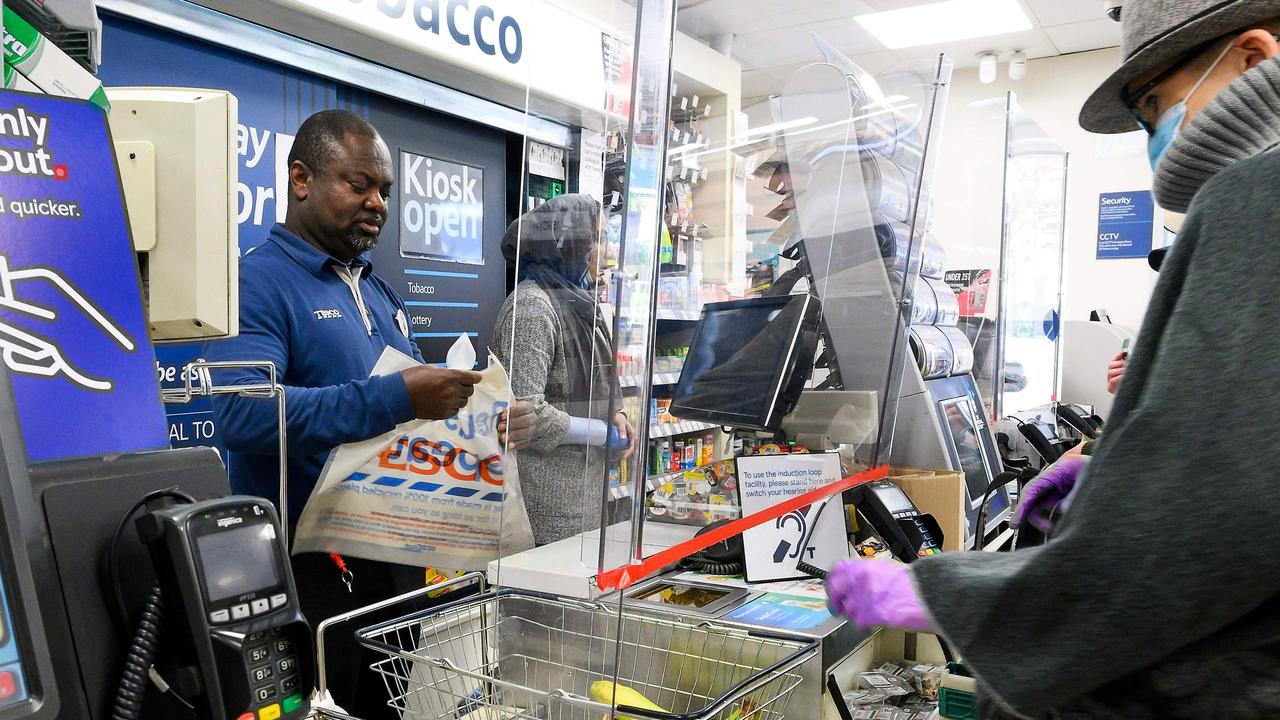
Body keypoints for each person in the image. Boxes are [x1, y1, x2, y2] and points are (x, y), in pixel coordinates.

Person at [827, 2, 1280, 717]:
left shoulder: (1258, 194)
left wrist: (944, 592)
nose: (1152, 141)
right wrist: (1106, 477)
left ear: (1254, 60)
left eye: (1155, 108)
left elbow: (1199, 528)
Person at [203, 109, 532, 718]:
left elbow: (407, 416)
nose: (377, 202)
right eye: (359, 185)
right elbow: (242, 415)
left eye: (384, 190)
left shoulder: (378, 289)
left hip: (393, 561)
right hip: (308, 573)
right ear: (301, 179)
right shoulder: (256, 282)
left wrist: (485, 421)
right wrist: (398, 396)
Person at [492, 194, 636, 545]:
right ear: (569, 245)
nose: (607, 251)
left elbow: (594, 377)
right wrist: (601, 432)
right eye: (598, 238)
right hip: (545, 508)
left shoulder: (578, 301)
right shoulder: (531, 308)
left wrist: (614, 411)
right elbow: (523, 415)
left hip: (583, 497)